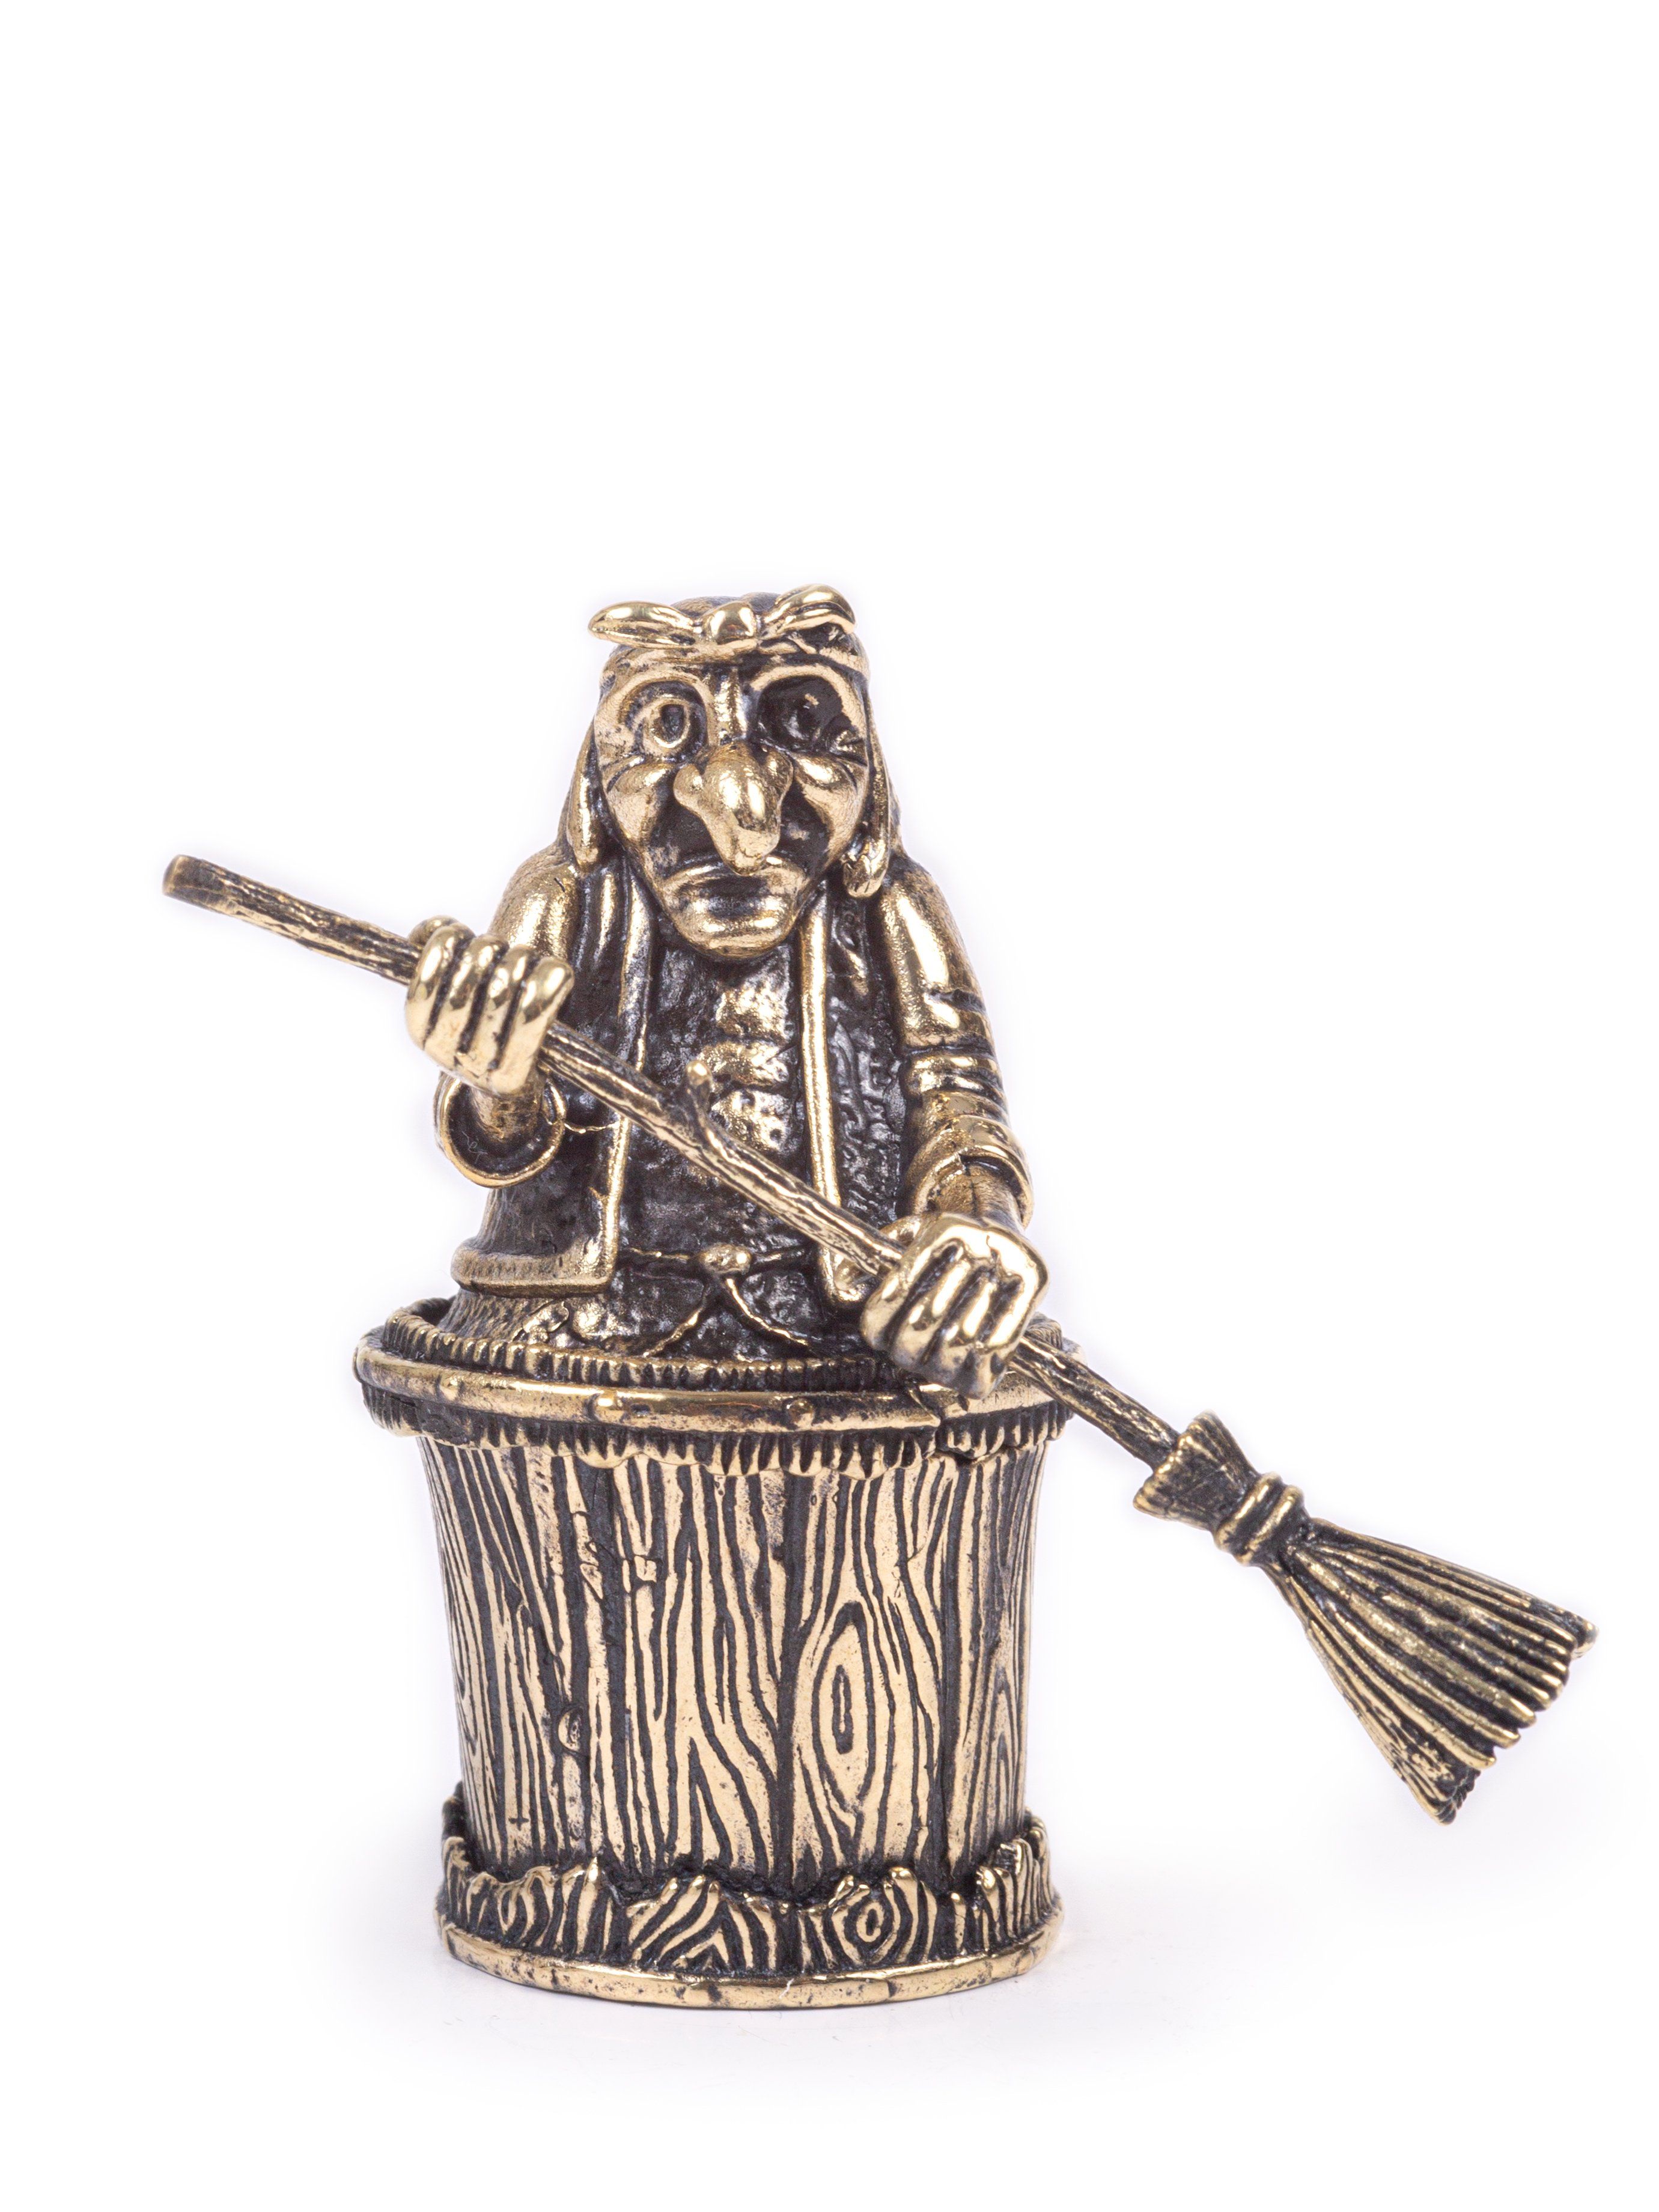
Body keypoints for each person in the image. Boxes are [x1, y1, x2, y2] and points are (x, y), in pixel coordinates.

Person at [404, 586, 1044, 1400]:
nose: (741, 813)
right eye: (668, 726)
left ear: (871, 768)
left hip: (836, 1338)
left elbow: (955, 1098)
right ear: (597, 768)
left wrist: (978, 1224)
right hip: (576, 1334)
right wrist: (496, 1085)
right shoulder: (563, 898)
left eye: (803, 723)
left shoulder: (891, 908)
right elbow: (503, 1142)